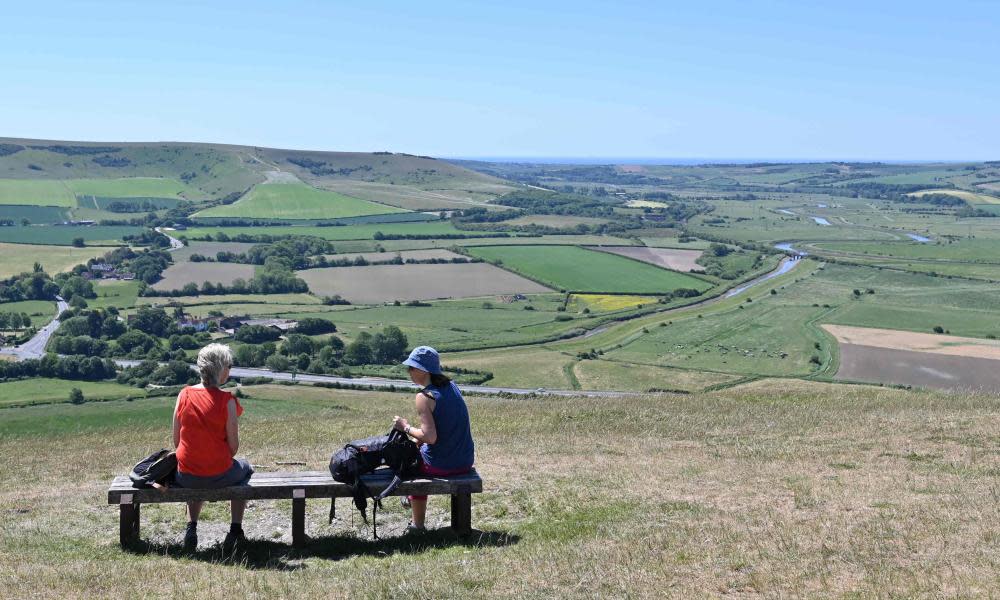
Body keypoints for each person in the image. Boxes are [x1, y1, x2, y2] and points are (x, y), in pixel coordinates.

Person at [172, 343, 253, 552]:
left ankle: (192, 527)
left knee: (196, 466)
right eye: (229, 366)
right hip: (219, 474)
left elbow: (176, 442)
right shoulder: (227, 401)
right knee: (245, 469)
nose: (231, 370)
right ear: (221, 370)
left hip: (186, 475)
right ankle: (235, 530)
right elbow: (233, 448)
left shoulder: (184, 395)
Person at [392, 346, 475, 532]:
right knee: (417, 453)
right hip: (465, 461)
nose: (409, 372)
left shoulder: (424, 396)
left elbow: (430, 437)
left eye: (411, 368)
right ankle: (411, 504)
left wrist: (404, 426)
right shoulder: (452, 387)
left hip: (442, 464)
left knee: (411, 464)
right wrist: (418, 440)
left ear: (423, 370)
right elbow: (443, 428)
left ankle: (417, 525)